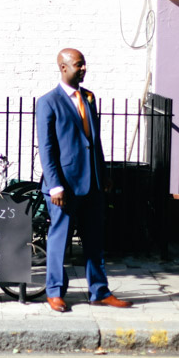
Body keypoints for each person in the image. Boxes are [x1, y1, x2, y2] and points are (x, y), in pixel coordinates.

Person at [35, 48, 132, 312]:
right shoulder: (48, 102)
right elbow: (47, 148)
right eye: (79, 65)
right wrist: (55, 185)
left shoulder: (88, 98)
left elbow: (93, 141)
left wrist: (103, 173)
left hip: (93, 183)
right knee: (59, 239)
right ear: (63, 67)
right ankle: (54, 292)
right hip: (63, 186)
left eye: (85, 64)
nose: (84, 69)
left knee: (94, 241)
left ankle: (99, 292)